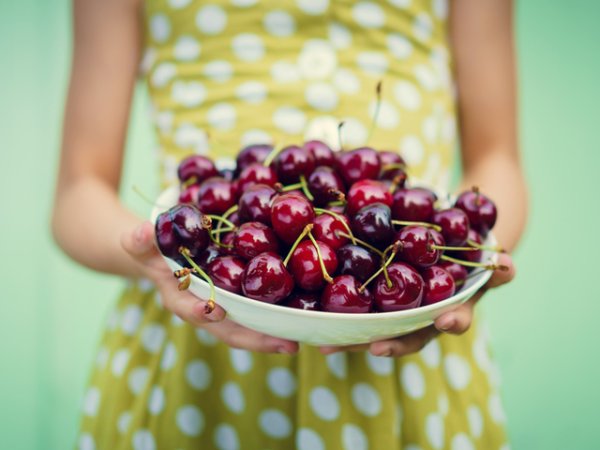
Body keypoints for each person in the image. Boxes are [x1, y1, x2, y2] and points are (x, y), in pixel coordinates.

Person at [52, 0, 527, 448]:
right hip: (196, 335)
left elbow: (497, 158)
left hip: (416, 338)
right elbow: (77, 195)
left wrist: (479, 259)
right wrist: (148, 259)